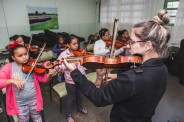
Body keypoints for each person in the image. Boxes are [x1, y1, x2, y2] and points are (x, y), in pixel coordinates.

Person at [61, 9, 170, 122]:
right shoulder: (163, 69)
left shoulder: (133, 78)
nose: (128, 45)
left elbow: (98, 97)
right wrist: (117, 77)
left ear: (147, 45)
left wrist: (75, 71)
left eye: (132, 42)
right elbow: (141, 87)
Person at [0, 41, 56, 122]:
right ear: (13, 57)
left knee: (37, 118)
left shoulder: (32, 65)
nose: (24, 57)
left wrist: (49, 75)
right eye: (20, 55)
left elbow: (42, 79)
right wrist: (12, 80)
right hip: (20, 104)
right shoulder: (8, 67)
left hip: (34, 100)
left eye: (26, 54)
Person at [57, 34, 88, 122]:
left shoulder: (79, 53)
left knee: (80, 96)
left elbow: (82, 66)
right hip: (70, 81)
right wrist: (68, 65)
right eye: (74, 44)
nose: (77, 45)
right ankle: (68, 114)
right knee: (70, 98)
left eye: (77, 43)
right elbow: (58, 67)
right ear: (67, 45)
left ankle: (79, 108)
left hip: (80, 79)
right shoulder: (63, 55)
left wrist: (84, 68)